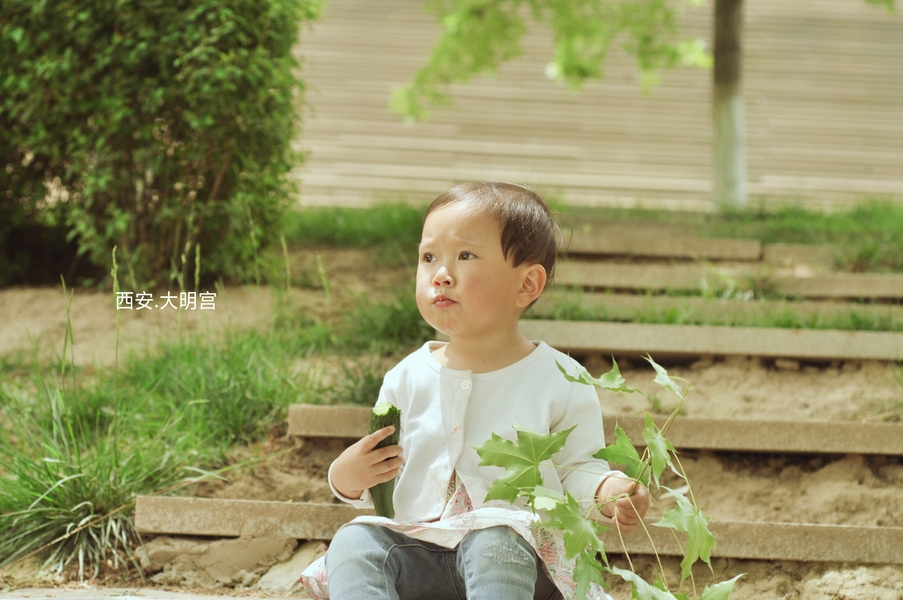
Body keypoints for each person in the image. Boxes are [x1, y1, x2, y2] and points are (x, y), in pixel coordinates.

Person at [300, 182, 649, 600]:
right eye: (429, 257)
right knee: (354, 541)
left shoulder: (560, 378)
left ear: (527, 284)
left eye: (465, 256)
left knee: (496, 534)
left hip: (520, 558)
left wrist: (607, 491)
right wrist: (347, 476)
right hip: (421, 549)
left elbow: (577, 466)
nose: (441, 274)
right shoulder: (406, 377)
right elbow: (383, 473)